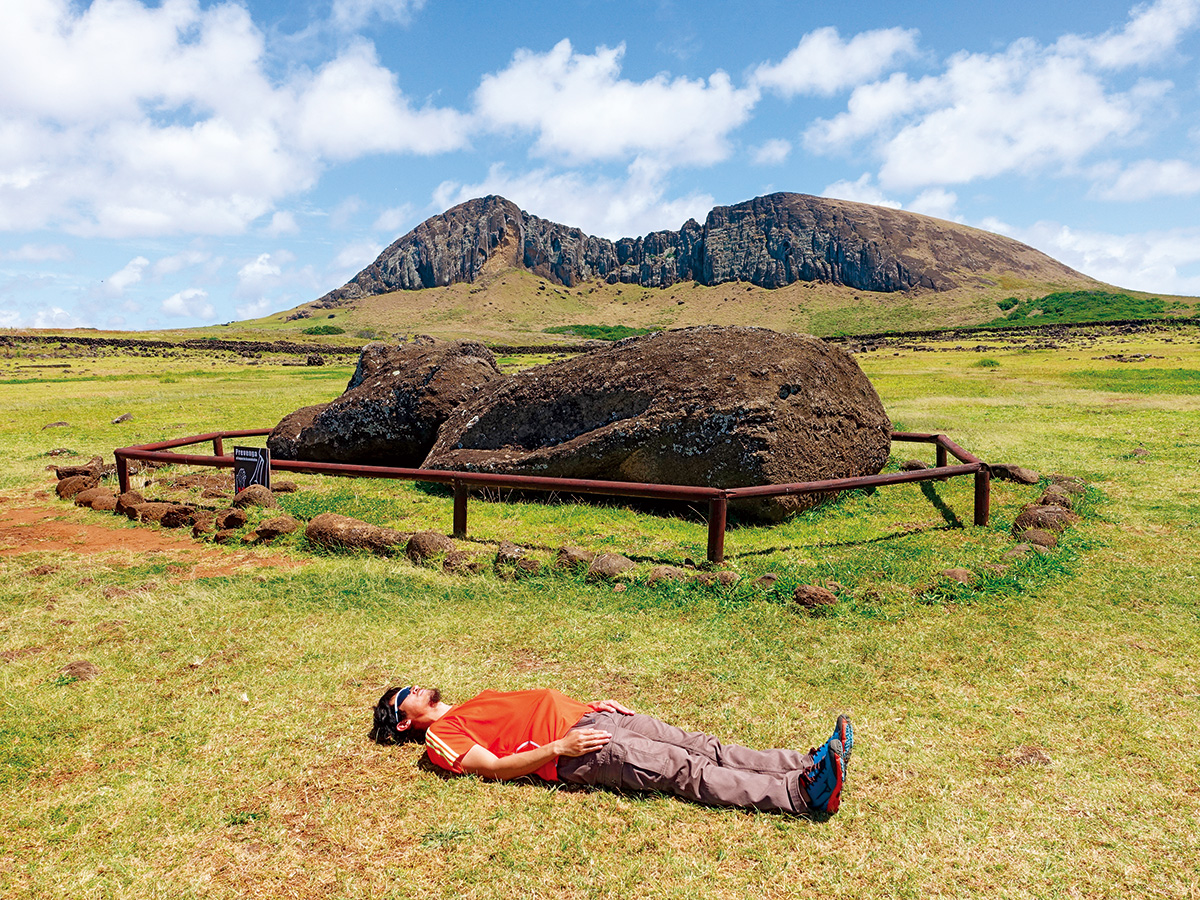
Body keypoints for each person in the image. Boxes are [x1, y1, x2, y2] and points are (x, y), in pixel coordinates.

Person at [370, 684, 852, 815]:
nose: (417, 687)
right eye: (406, 693)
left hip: (593, 718)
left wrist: (588, 705)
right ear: (402, 719)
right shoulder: (438, 738)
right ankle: (802, 796)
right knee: (687, 769)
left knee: (703, 745)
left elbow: (528, 711)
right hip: (582, 749)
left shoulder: (466, 705)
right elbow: (494, 768)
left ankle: (807, 764)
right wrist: (561, 744)